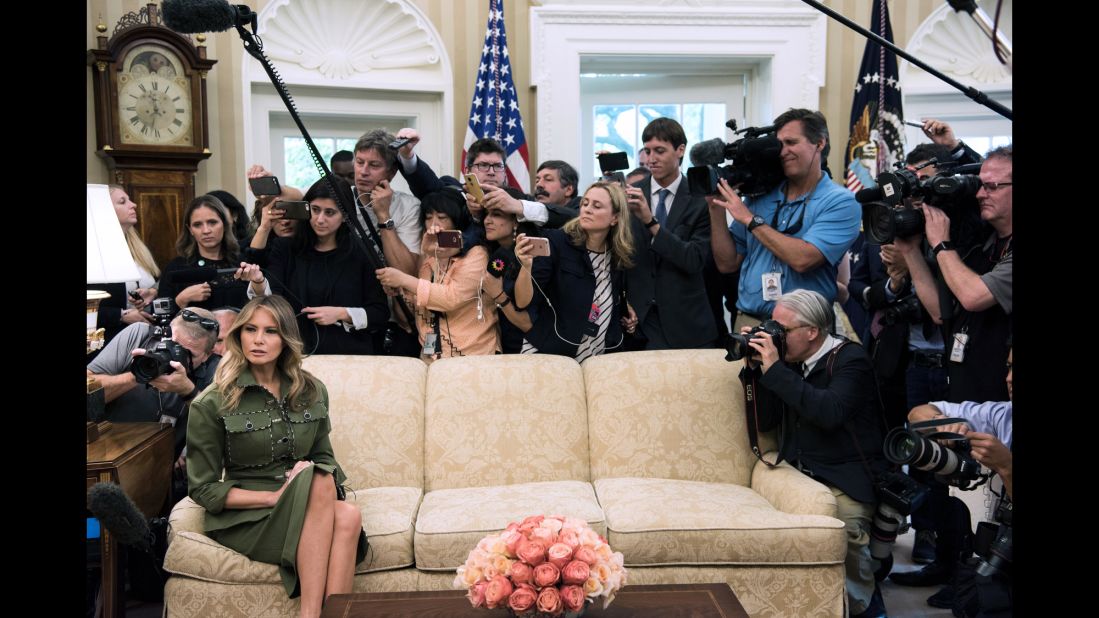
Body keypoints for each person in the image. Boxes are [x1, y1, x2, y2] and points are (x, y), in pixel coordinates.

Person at [186, 295, 367, 617]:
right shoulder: (211, 402)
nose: (258, 340)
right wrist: (274, 498)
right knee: (322, 485)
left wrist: (305, 481)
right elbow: (203, 488)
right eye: (250, 329)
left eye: (270, 331)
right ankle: (310, 614)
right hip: (248, 516)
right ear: (238, 335)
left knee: (339, 501)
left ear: (286, 339)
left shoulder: (311, 390)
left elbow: (325, 457)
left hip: (307, 501)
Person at [738, 289, 888, 618]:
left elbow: (829, 412)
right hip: (801, 472)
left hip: (846, 476)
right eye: (770, 326)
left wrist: (775, 370)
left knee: (843, 529)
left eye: (782, 330)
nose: (773, 335)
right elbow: (767, 421)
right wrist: (755, 370)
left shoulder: (852, 360)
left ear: (812, 332)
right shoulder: (790, 360)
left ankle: (864, 605)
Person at [710, 108, 861, 331]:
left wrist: (750, 220)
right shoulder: (761, 196)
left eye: (791, 142)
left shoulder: (841, 202)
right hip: (749, 322)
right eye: (779, 144)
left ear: (819, 143)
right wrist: (714, 207)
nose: (783, 152)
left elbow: (804, 259)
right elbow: (727, 263)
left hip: (804, 328)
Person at [893, 346, 1013, 612]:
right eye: (1008, 367)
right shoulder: (1002, 414)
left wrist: (1006, 465)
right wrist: (941, 422)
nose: (1009, 378)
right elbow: (916, 414)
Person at [895, 145, 1012, 403]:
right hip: (968, 388)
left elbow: (973, 296)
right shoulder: (984, 245)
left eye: (992, 186)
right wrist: (911, 251)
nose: (980, 194)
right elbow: (940, 312)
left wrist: (941, 244)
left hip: (1001, 398)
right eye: (979, 185)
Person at [242, 177, 390, 355]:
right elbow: (269, 298)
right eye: (315, 210)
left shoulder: (362, 253)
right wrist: (264, 227)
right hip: (296, 352)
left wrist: (342, 313)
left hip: (349, 354)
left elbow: (379, 313)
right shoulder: (286, 248)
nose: (320, 219)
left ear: (344, 216)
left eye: (329, 213)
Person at [623, 117, 717, 350]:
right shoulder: (630, 195)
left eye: (660, 151)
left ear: (680, 150)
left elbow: (694, 259)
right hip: (638, 322)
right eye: (647, 150)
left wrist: (650, 221)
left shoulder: (700, 198)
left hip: (687, 323)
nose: (651, 159)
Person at [514, 181, 634, 361]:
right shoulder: (557, 241)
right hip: (551, 350)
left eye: (597, 205)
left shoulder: (618, 255)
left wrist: (628, 310)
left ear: (615, 218)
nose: (587, 209)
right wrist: (526, 266)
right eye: (585, 203)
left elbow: (611, 299)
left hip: (598, 353)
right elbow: (522, 302)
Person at [374, 190, 498, 360]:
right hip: (430, 354)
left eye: (442, 217)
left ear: (457, 219)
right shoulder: (429, 254)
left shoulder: (477, 254)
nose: (434, 224)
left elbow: (450, 298)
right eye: (428, 217)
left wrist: (404, 279)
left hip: (472, 354)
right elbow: (422, 305)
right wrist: (401, 291)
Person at [87, 307, 221, 463]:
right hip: (102, 457)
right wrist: (139, 373)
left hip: (156, 472)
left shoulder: (216, 370)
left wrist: (188, 392)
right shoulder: (140, 336)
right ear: (164, 332)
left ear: (208, 355)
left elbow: (221, 431)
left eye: (188, 354)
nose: (176, 358)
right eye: (172, 345)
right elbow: (89, 390)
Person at [90, 185, 162, 347]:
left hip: (146, 336)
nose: (133, 204)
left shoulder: (138, 247)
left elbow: (158, 281)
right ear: (105, 210)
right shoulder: (94, 253)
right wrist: (121, 315)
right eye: (123, 202)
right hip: (108, 340)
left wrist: (153, 292)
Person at [159, 195, 250, 314]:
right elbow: (160, 319)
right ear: (190, 229)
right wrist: (181, 300)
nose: (206, 230)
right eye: (197, 225)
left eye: (212, 222)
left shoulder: (242, 263)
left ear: (225, 224)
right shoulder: (176, 268)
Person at [480, 206, 537, 353]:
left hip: (530, 347)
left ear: (516, 222)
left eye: (496, 214)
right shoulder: (498, 254)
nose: (487, 220)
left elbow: (527, 322)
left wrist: (498, 295)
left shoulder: (530, 254)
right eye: (486, 214)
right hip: (502, 341)